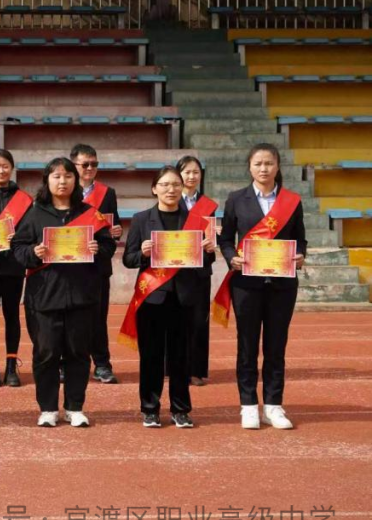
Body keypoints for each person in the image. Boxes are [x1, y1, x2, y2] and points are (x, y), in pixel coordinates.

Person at [12, 157, 115, 428]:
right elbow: (18, 249)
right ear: (47, 180)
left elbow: (108, 246)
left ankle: (74, 407)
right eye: (56, 176)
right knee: (45, 353)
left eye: (68, 176)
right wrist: (33, 252)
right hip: (44, 297)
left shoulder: (90, 213)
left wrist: (97, 250)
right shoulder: (34, 214)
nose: (62, 181)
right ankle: (47, 408)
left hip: (82, 295)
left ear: (75, 180)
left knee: (78, 353)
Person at [216, 143, 307, 430]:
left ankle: (273, 405)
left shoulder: (292, 201)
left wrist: (300, 255)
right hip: (246, 284)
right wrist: (231, 257)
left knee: (276, 346)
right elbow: (225, 239)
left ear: (278, 166)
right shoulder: (236, 199)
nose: (264, 168)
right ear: (250, 167)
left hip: (282, 284)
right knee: (247, 345)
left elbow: (300, 239)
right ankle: (248, 405)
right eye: (258, 164)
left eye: (269, 163)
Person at [119, 166, 216, 429]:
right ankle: (150, 409)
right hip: (152, 297)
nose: (170, 189)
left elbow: (205, 264)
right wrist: (142, 253)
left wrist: (208, 251)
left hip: (184, 298)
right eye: (164, 185)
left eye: (175, 184)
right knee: (150, 356)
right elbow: (128, 259)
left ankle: (180, 409)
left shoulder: (196, 221)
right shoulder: (141, 219)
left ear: (182, 188)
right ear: (154, 189)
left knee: (181, 357)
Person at [70, 143, 122, 384]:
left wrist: (116, 232)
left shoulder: (107, 193)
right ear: (74, 165)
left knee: (98, 318)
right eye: (85, 164)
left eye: (94, 164)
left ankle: (102, 364)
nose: (90, 168)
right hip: (69, 265)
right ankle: (67, 364)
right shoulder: (62, 189)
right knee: (68, 318)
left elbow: (112, 226)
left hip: (97, 265)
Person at [0, 149, 32, 388]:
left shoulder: (24, 199)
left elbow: (30, 230)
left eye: (5, 166)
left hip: (14, 266)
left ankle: (11, 366)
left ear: (12, 168)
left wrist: (18, 238)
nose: (1, 170)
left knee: (12, 315)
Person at [176, 155, 218, 387]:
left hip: (200, 271)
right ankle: (172, 367)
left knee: (199, 322)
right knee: (174, 321)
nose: (191, 176)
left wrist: (211, 248)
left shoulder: (208, 206)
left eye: (196, 172)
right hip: (174, 270)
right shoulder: (170, 199)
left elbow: (210, 242)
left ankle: (196, 370)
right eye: (187, 172)